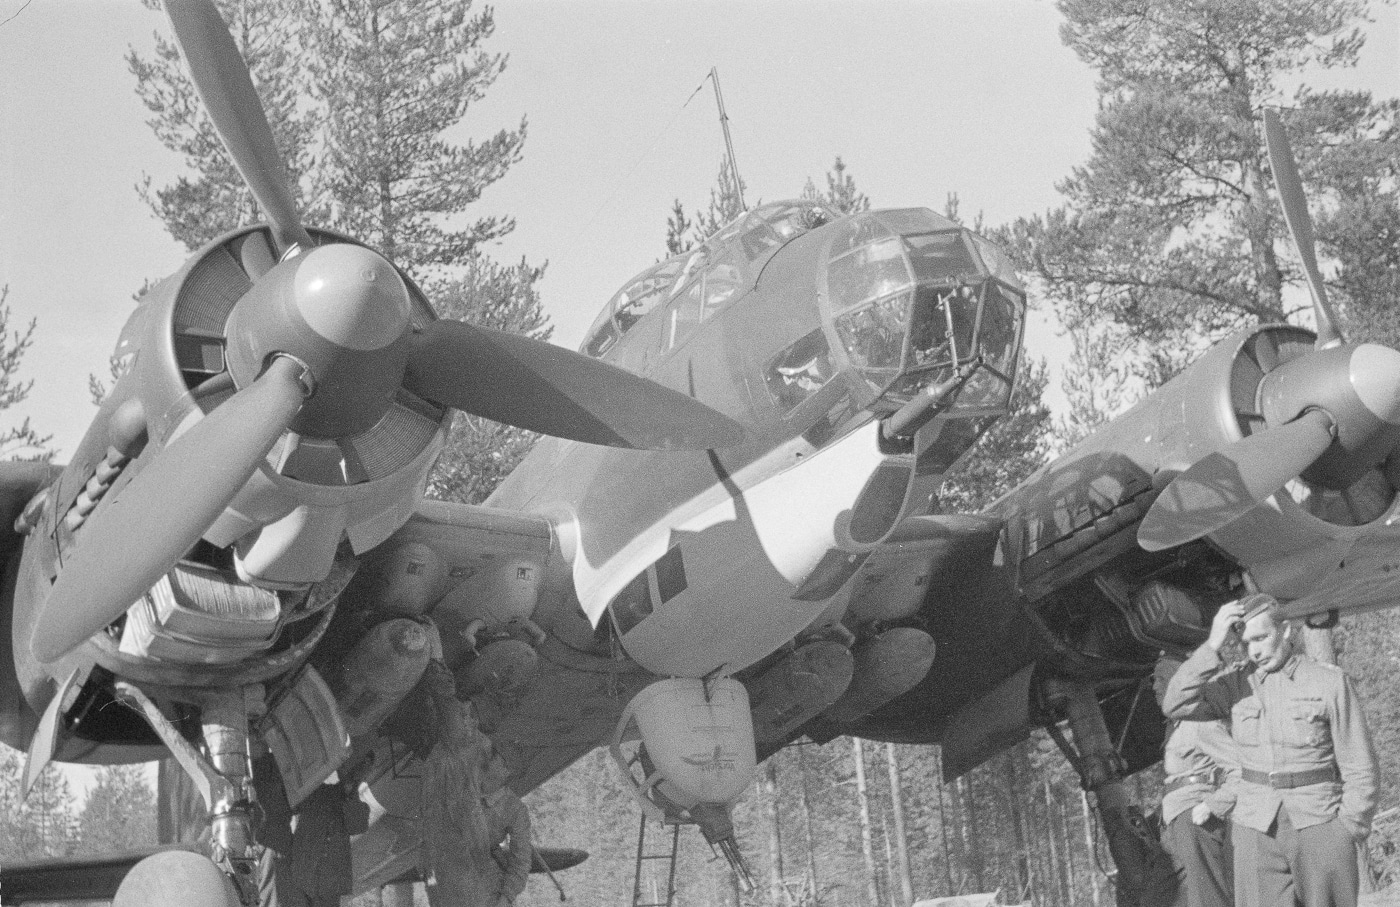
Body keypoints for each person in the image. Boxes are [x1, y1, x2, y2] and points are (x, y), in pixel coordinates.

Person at [1162, 593, 1379, 907]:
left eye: (1261, 638)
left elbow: (1360, 764)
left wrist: (1347, 828)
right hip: (1255, 826)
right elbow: (1175, 704)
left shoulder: (1328, 683)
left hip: (1318, 818)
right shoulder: (1236, 685)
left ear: (1285, 630)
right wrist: (1212, 644)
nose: (1254, 651)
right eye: (1246, 642)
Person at [1154, 654, 1237, 907]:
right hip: (1175, 819)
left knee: (1208, 897)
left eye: (1160, 680)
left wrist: (1213, 805)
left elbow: (1240, 769)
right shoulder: (1175, 726)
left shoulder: (1200, 722)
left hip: (1196, 818)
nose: (1155, 687)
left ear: (1177, 683)